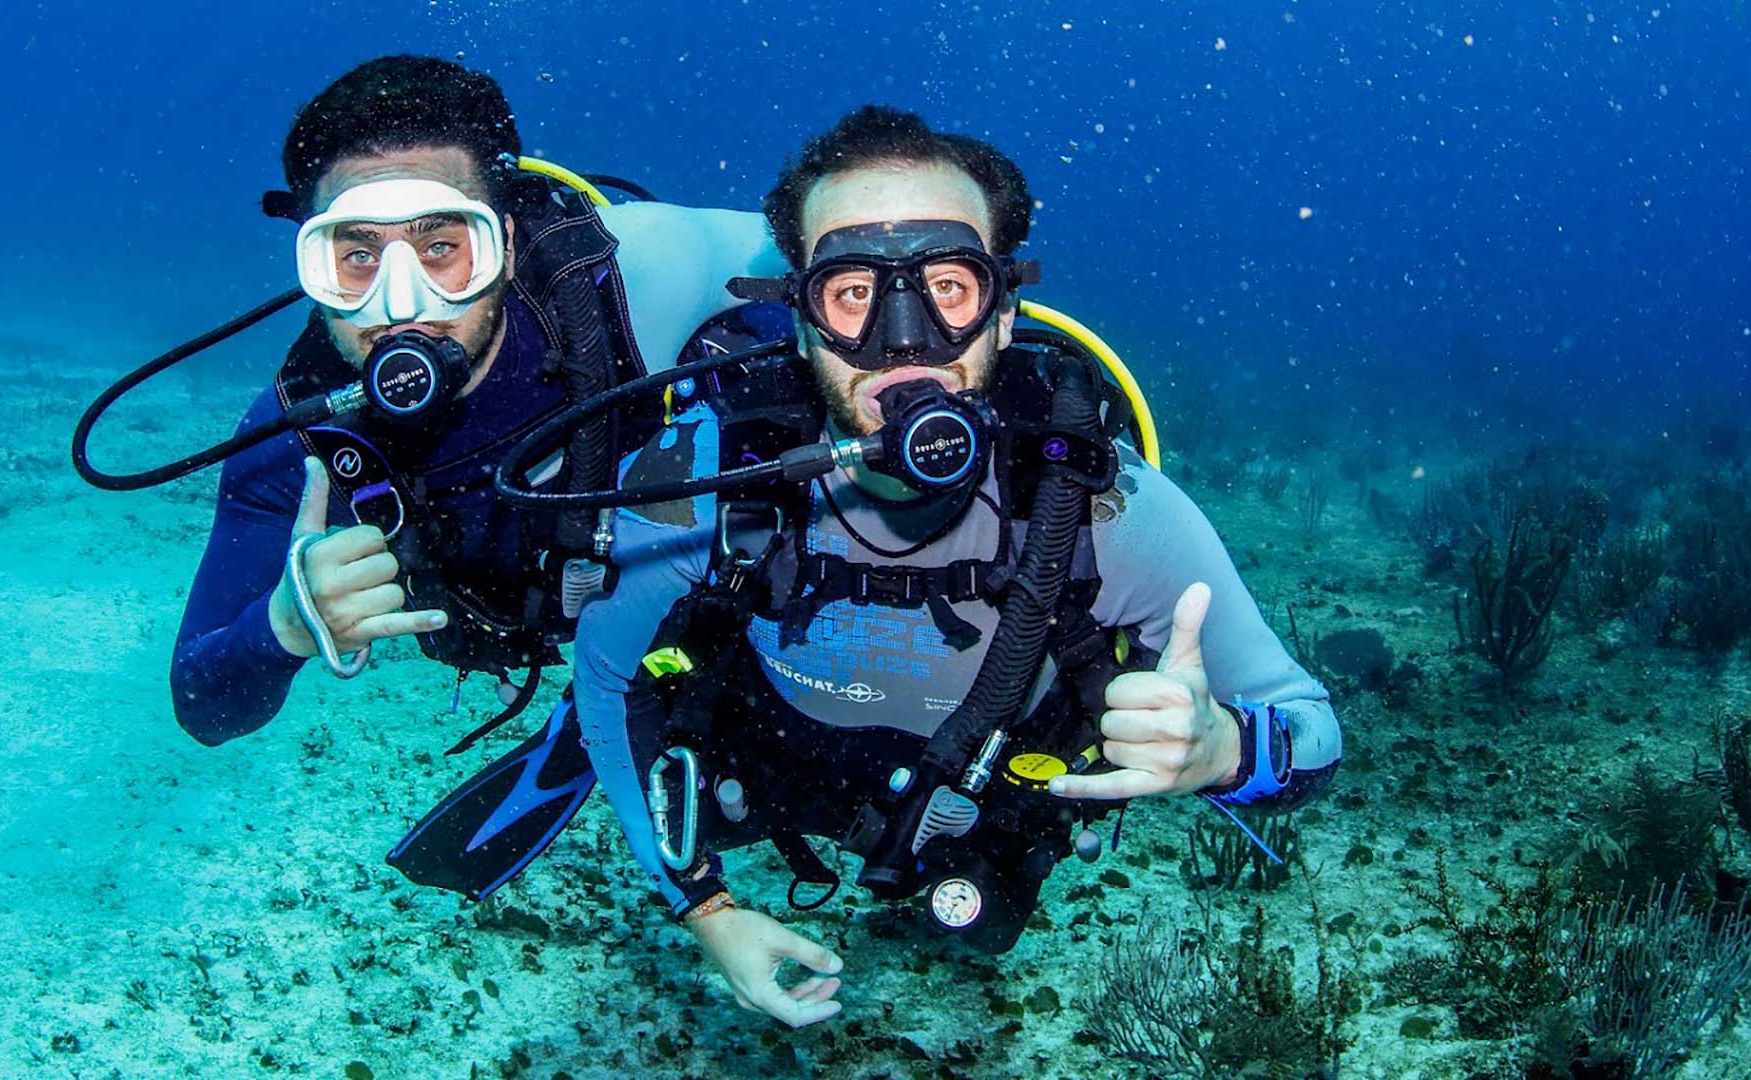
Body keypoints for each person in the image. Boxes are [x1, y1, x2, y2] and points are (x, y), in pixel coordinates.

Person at [560, 106, 1343, 1028]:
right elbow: (605, 674)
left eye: (948, 286)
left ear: (1004, 312)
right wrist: (706, 909)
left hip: (984, 798)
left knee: (983, 918)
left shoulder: (1107, 511)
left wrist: (1221, 751)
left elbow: (1313, 734)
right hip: (771, 766)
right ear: (800, 322)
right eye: (852, 291)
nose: (903, 340)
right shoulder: (707, 478)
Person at [160, 56, 783, 897]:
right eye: (355, 258)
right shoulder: (300, 438)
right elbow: (204, 705)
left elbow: (836, 243)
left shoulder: (637, 273)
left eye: (442, 248)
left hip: (687, 574)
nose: (399, 303)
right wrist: (284, 627)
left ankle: (651, 672)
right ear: (312, 265)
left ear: (506, 240)